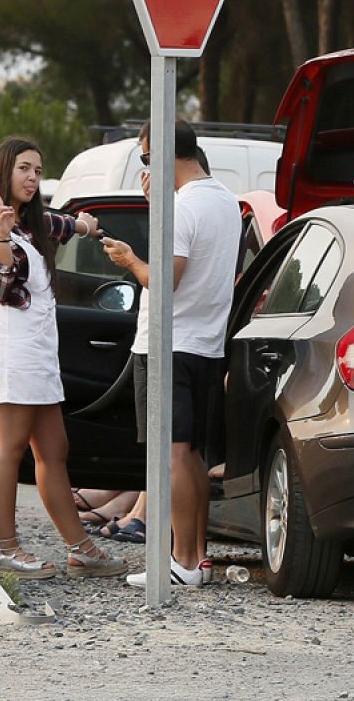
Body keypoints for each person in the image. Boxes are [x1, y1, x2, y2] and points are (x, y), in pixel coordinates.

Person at [0, 137, 126, 580]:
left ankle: (81, 548)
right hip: (12, 352)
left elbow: (62, 225)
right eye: (24, 169)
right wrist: (0, 233)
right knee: (9, 449)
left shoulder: (34, 223)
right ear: (4, 173)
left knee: (54, 451)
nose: (33, 178)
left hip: (38, 355)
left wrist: (87, 227)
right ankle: (6, 547)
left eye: (38, 170)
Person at [102, 119, 241, 587]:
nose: (146, 169)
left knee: (174, 453)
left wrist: (129, 260)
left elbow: (165, 279)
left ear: (162, 154)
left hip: (170, 342)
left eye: (146, 159)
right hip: (205, 343)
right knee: (194, 454)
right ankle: (196, 556)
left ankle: (180, 560)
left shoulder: (182, 209)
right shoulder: (223, 198)